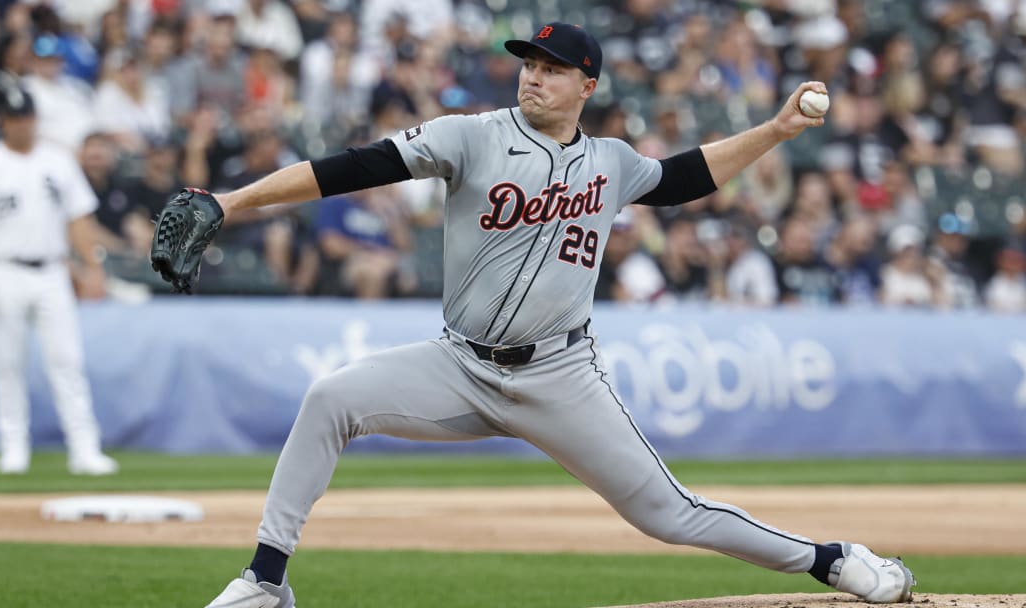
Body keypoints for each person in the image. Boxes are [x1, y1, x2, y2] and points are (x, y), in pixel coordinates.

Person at [165, 23, 913, 607]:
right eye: (529, 64)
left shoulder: (611, 162)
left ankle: (834, 560)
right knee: (331, 398)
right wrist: (229, 203)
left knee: (669, 514)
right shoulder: (471, 135)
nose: (534, 77)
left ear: (587, 84)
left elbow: (684, 178)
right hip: (459, 364)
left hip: (560, 375)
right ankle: (267, 579)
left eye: (553, 69)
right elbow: (350, 168)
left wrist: (776, 131)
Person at [0, 88, 118, 476]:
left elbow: (78, 218)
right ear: (3, 122)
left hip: (52, 270)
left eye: (28, 118)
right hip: (3, 269)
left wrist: (92, 267)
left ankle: (84, 448)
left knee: (67, 360)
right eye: (16, 119)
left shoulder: (57, 161)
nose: (24, 125)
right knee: (7, 363)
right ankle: (13, 447)